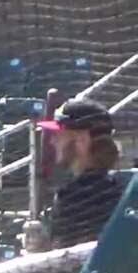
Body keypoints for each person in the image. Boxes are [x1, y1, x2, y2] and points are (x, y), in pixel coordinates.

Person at [37, 98, 127, 248]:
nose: (53, 141)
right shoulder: (122, 186)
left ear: (82, 140)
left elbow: (63, 262)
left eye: (59, 135)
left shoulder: (75, 196)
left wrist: (39, 249)